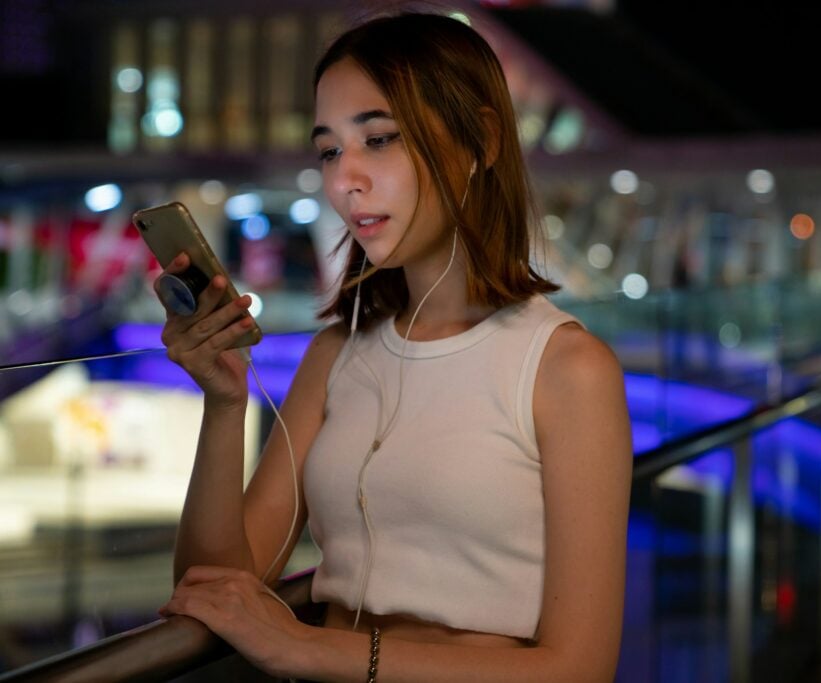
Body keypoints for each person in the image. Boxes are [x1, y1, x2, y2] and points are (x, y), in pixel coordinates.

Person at [156, 11, 632, 682]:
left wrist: (305, 646)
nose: (343, 178)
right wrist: (225, 401)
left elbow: (580, 667)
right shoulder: (335, 356)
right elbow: (214, 584)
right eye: (328, 149)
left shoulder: (566, 369)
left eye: (378, 139)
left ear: (481, 141)